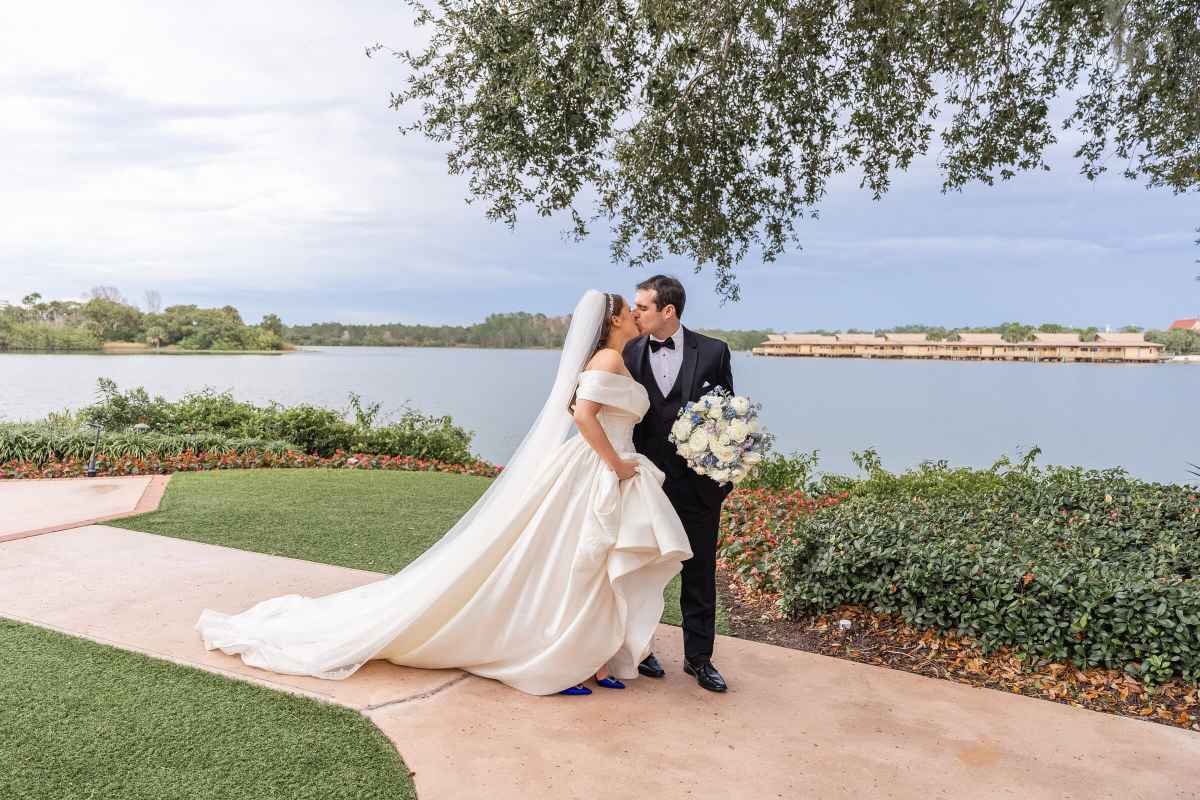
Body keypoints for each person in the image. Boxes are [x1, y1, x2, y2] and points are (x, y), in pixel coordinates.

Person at [195, 290, 692, 696]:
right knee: (579, 564)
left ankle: (592, 658)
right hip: (599, 470)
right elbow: (583, 417)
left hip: (608, 469)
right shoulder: (608, 357)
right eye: (631, 309)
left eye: (640, 307)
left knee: (588, 565)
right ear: (612, 322)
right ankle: (564, 659)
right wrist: (617, 467)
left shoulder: (616, 356)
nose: (636, 314)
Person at [624, 275, 734, 693]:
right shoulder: (629, 352)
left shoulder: (714, 352)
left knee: (700, 571)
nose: (635, 313)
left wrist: (721, 483)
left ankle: (699, 660)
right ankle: (639, 650)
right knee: (639, 570)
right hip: (644, 483)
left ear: (667, 311)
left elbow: (729, 421)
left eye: (643, 307)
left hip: (698, 488)